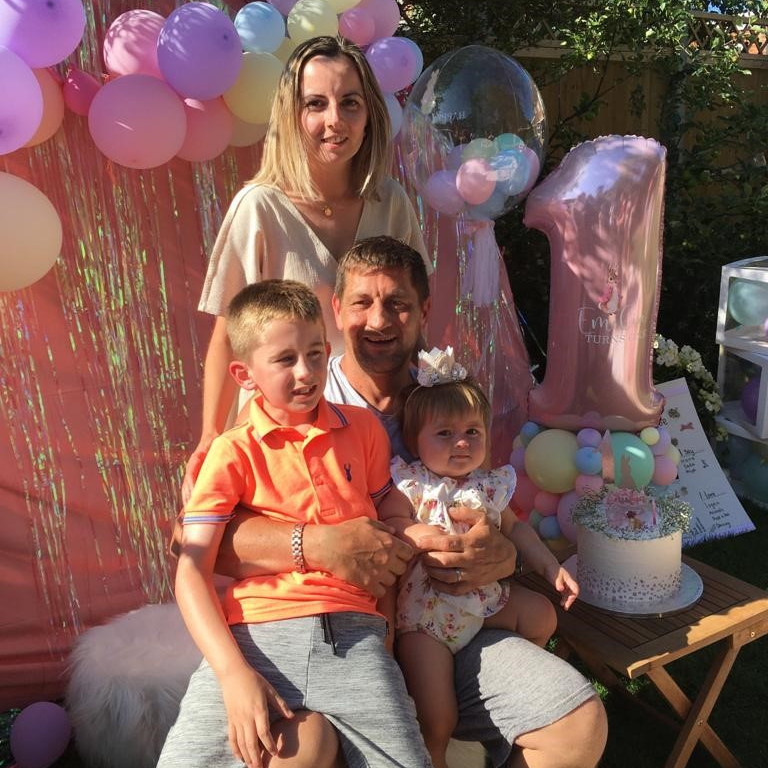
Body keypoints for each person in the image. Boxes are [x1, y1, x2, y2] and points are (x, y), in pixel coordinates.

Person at [211, 236, 608, 768]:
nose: (379, 320)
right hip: (338, 633)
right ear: (337, 310)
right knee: (297, 753)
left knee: (578, 727)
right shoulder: (293, 393)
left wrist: (503, 555)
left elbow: (488, 505)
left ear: (424, 310)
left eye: (397, 303)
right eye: (362, 302)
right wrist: (318, 543)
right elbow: (206, 543)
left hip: (447, 620)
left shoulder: (449, 393)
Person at [160, 279, 432, 768]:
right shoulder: (231, 451)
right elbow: (190, 571)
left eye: (314, 354)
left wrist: (386, 634)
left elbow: (385, 518)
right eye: (285, 360)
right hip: (256, 637)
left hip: (356, 637)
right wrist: (233, 675)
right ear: (244, 374)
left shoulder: (364, 430)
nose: (305, 372)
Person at [184, 35, 428, 501]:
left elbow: (413, 320)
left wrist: (429, 410)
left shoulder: (391, 202)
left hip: (380, 440)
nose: (335, 119)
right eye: (316, 103)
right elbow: (227, 335)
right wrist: (210, 439)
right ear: (292, 116)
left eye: (350, 102)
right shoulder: (259, 207)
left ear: (370, 114)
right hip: (286, 448)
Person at [378, 347, 579, 768]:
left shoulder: (488, 486)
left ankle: (493, 696)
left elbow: (517, 530)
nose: (462, 442)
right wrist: (419, 533)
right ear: (415, 441)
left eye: (473, 431)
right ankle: (435, 757)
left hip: (482, 605)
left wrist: (550, 567)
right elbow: (392, 523)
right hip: (427, 619)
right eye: (445, 433)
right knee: (437, 719)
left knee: (542, 615)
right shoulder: (413, 484)